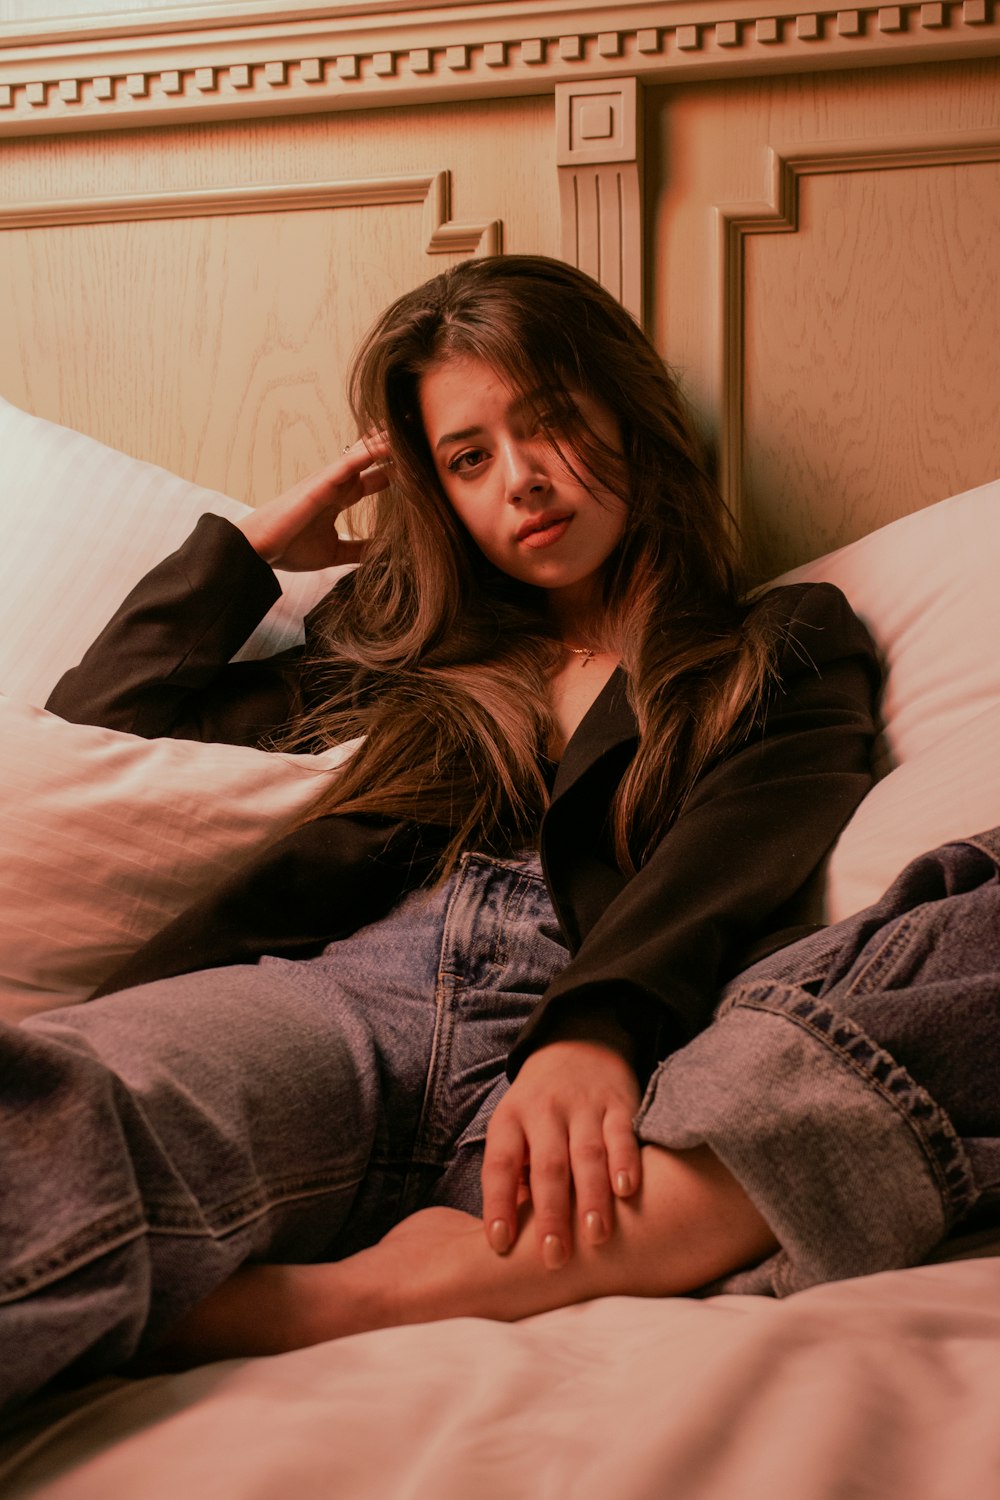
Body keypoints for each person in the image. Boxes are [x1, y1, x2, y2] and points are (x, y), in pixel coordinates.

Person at [4, 253, 891, 1413]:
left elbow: (735, 848)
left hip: (624, 1053)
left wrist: (597, 1029)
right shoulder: (404, 653)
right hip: (340, 1005)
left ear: (628, 413)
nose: (521, 482)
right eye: (469, 459)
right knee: (66, 1117)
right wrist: (249, 553)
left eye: (553, 425)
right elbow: (96, 730)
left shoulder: (773, 642)